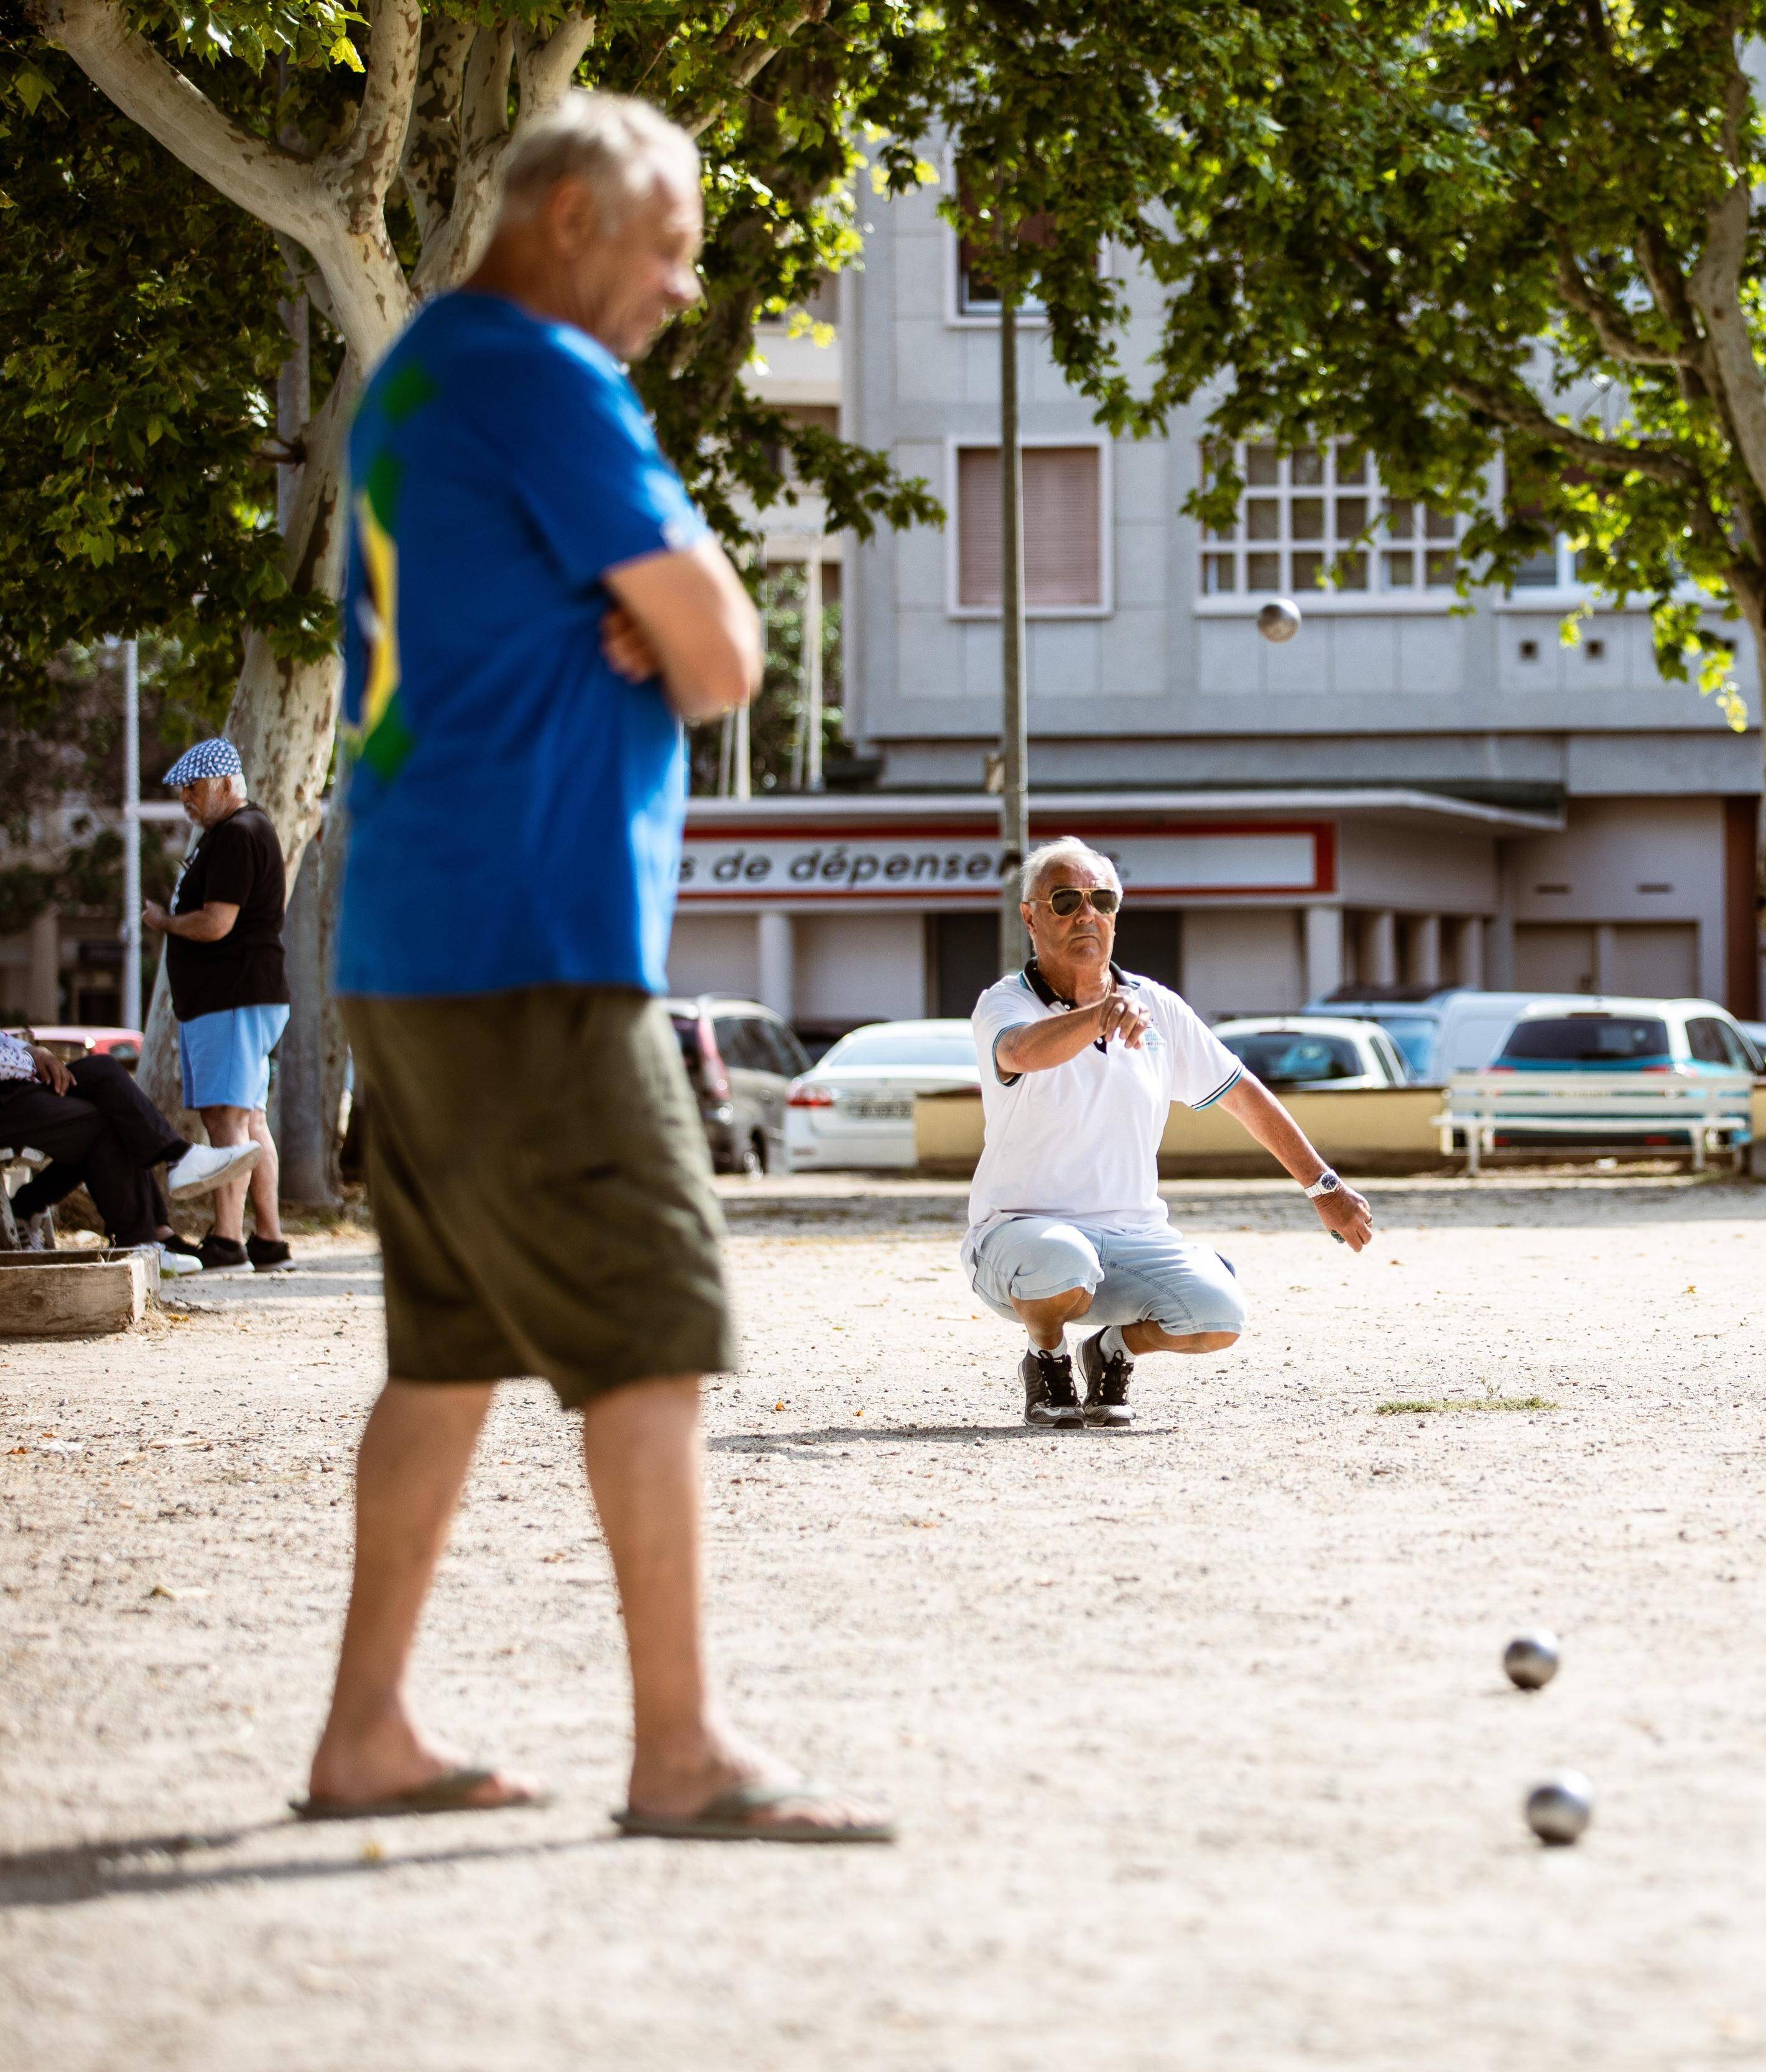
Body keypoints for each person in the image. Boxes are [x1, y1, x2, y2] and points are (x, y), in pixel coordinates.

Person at [304, 93, 885, 1842]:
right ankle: (685, 1748)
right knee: (651, 1327)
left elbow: (681, 636)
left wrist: (664, 616)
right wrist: (687, 615)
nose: (685, 289)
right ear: (569, 221)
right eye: (672, 245)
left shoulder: (421, 372)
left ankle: (366, 1729)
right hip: (535, 941)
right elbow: (723, 654)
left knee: (447, 1348)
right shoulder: (545, 375)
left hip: (410, 941)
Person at [970, 837, 1376, 1428]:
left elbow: (1245, 1096)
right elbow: (1020, 1052)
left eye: (1101, 899)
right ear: (1030, 916)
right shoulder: (1005, 1004)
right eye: (1065, 900)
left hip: (1130, 1238)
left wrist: (1325, 1188)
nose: (1087, 913)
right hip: (1019, 1240)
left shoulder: (1155, 1005)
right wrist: (1099, 1016)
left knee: (1219, 1315)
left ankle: (1111, 1350)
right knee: (1062, 1258)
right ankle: (1047, 1355)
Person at [144, 738, 291, 1273]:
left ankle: (228, 1240)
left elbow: (216, 922)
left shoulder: (235, 833)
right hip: (244, 995)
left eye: (195, 787)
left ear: (228, 784)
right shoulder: (238, 831)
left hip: (232, 997)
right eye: (181, 788)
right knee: (249, 1119)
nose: (185, 797)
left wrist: (163, 922)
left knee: (225, 1119)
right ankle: (269, 1240)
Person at [0, 1025, 257, 1268]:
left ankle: (176, 1166)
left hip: (17, 1080)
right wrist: (30, 1062)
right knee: (107, 1123)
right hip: (8, 1090)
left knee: (103, 1070)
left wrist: (32, 1051)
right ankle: (138, 1240)